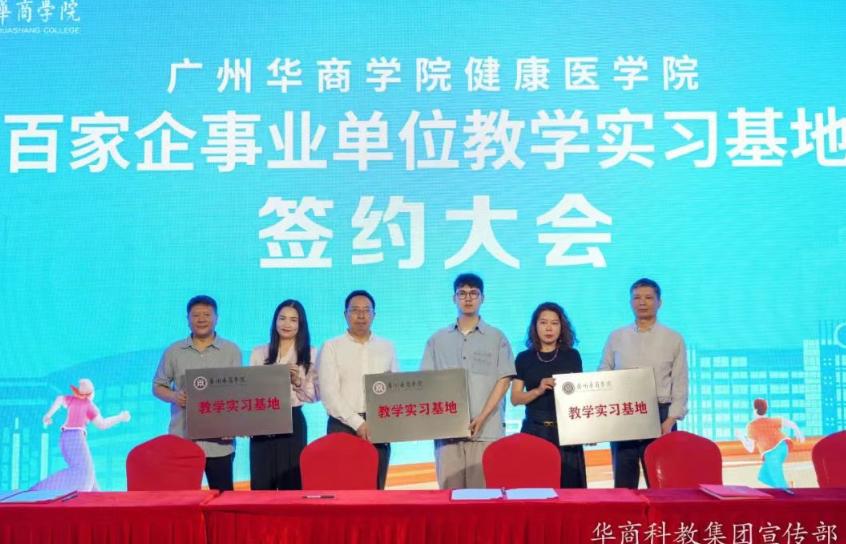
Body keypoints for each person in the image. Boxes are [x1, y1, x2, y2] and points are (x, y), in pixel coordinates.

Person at [421, 273, 515, 489]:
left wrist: (481, 417)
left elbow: (504, 380)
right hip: (447, 433)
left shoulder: (497, 337)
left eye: (474, 293)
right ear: (454, 298)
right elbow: (425, 382)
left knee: (484, 497)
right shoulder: (437, 339)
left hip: (487, 431)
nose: (468, 298)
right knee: (449, 497)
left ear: (483, 298)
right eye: (462, 293)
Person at [598, 278, 688, 489]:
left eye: (648, 297)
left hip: (660, 415)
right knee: (624, 484)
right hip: (624, 414)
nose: (642, 302)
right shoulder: (616, 336)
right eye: (637, 297)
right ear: (630, 302)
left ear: (659, 302)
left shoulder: (673, 338)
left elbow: (680, 382)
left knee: (662, 485)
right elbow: (604, 372)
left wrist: (670, 420)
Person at [153, 295, 242, 491]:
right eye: (196, 315)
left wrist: (234, 426)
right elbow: (158, 386)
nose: (201, 319)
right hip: (183, 439)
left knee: (223, 500)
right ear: (188, 319)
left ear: (216, 318)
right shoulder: (174, 351)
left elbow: (237, 393)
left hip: (220, 443)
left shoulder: (231, 350)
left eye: (206, 315)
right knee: (182, 499)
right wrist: (174, 396)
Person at [318, 290, 397, 489]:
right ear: (345, 314)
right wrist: (359, 423)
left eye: (366, 310)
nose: (361, 315)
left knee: (375, 489)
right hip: (342, 426)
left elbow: (395, 387)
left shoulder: (387, 347)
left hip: (378, 426)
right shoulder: (331, 346)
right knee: (342, 490)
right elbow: (329, 394)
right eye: (355, 310)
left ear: (374, 315)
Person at [511, 302, 587, 488]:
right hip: (535, 430)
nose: (549, 328)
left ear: (562, 327)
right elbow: (515, 398)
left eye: (554, 323)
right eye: (543, 322)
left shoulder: (572, 356)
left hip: (567, 431)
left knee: (570, 489)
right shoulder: (524, 358)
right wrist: (538, 390)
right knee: (536, 488)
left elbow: (581, 394)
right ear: (535, 326)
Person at [249, 299, 318, 490]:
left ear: (301, 324)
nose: (287, 324)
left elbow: (315, 396)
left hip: (293, 420)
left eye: (293, 320)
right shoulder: (259, 352)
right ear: (275, 321)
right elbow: (250, 390)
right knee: (261, 485)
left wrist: (297, 382)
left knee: (291, 485)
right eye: (282, 318)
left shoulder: (311, 353)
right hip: (262, 420)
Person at [31, 378, 131, 492]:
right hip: (75, 437)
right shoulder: (88, 405)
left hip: (65, 437)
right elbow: (102, 424)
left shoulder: (72, 400)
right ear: (91, 394)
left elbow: (59, 399)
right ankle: (37, 491)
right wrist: (120, 417)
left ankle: (97, 499)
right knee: (84, 472)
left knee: (88, 474)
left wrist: (48, 415)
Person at [736, 398, 805, 488]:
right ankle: (787, 486)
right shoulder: (771, 421)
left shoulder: (752, 426)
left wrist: (741, 437)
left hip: (772, 452)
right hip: (783, 447)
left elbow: (750, 448)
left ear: (755, 410)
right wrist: (799, 433)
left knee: (780, 484)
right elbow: (791, 424)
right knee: (763, 476)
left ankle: (787, 489)